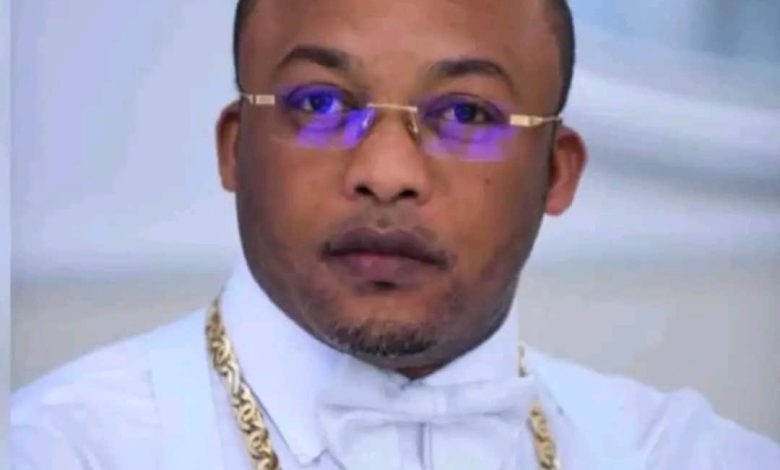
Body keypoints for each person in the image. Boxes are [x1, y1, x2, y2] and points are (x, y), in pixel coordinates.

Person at [11, 0, 779, 468]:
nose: (386, 173)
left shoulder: (684, 455)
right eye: (319, 104)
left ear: (556, 172)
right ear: (234, 150)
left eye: (467, 113)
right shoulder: (59, 449)